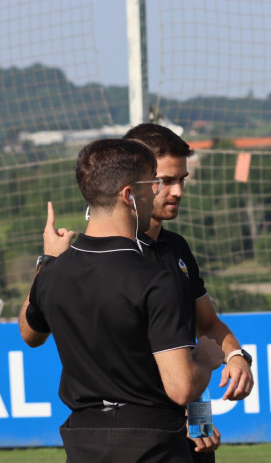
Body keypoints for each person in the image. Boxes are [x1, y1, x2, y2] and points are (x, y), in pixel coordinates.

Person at [42, 123, 254, 461]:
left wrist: (235, 356)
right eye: (164, 180)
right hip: (143, 434)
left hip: (174, 431)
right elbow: (38, 333)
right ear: (138, 180)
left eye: (181, 179)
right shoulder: (100, 259)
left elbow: (208, 324)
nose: (176, 191)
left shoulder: (175, 249)